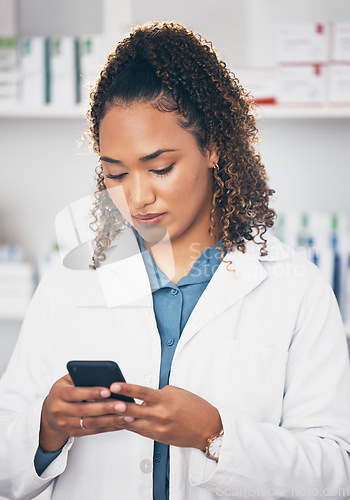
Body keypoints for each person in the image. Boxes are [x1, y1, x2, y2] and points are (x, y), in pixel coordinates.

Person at [1, 20, 350, 500]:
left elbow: (335, 473)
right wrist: (45, 428)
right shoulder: (71, 283)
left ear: (213, 147)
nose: (138, 197)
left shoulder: (296, 290)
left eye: (160, 168)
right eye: (116, 174)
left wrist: (215, 434)